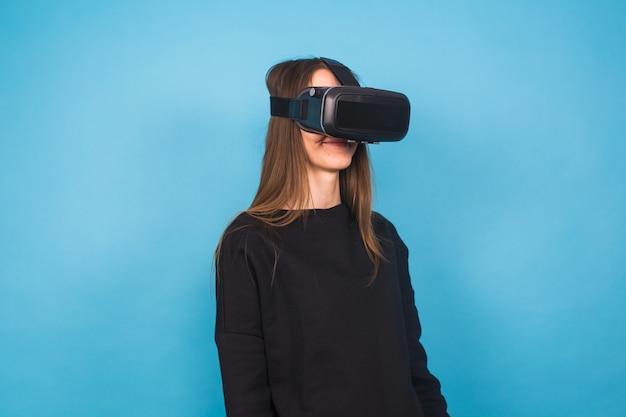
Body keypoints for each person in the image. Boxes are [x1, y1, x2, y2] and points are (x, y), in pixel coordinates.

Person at [214, 57, 449, 417]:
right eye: (321, 105)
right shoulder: (249, 243)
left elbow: (416, 371)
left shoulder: (382, 236)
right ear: (288, 117)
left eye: (347, 109)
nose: (337, 127)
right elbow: (246, 399)